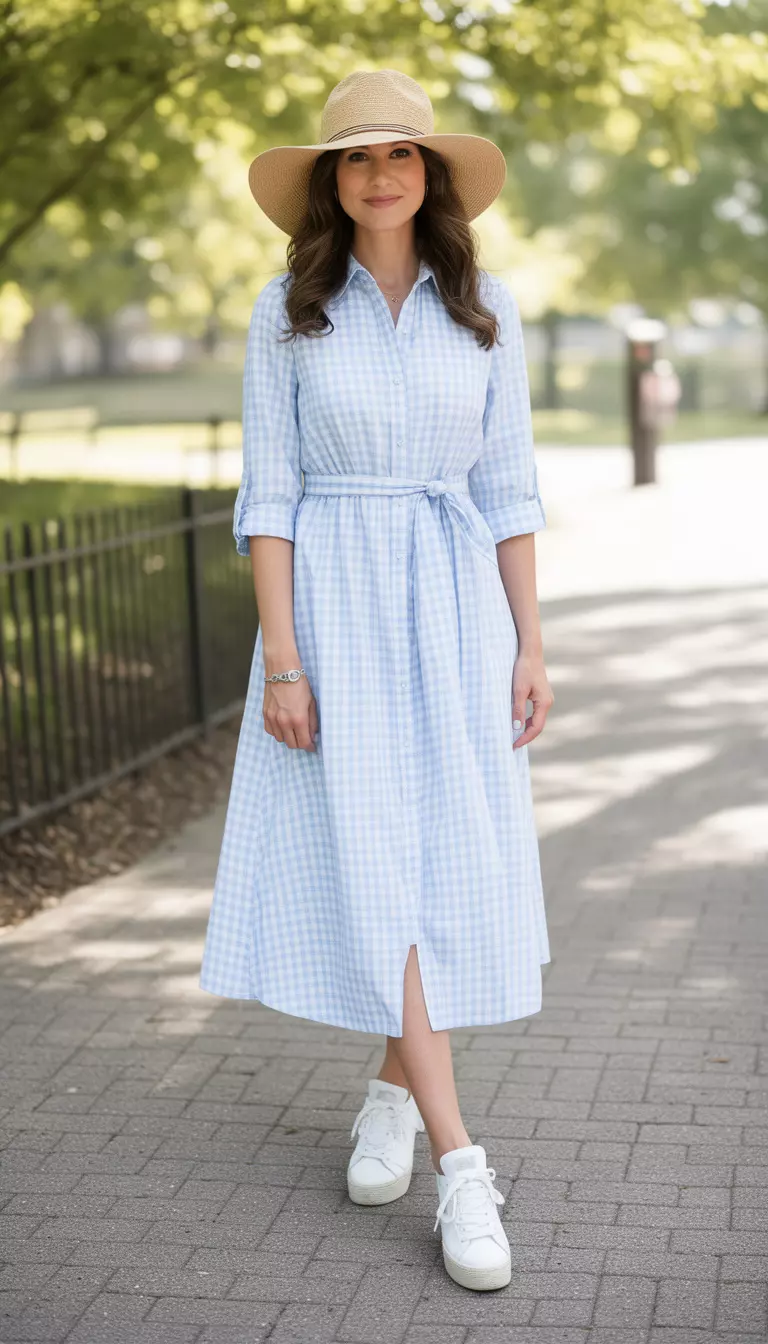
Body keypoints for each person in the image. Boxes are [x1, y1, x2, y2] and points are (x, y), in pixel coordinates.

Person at [199, 67, 554, 1293]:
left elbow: (509, 489)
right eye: (357, 157)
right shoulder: (287, 311)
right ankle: (462, 1162)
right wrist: (283, 661)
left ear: (431, 175)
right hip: (337, 609)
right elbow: (271, 497)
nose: (381, 173)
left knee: (447, 866)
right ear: (333, 183)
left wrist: (531, 643)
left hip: (455, 608)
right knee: (375, 859)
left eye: (401, 153)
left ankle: (394, 1097)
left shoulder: (486, 308)